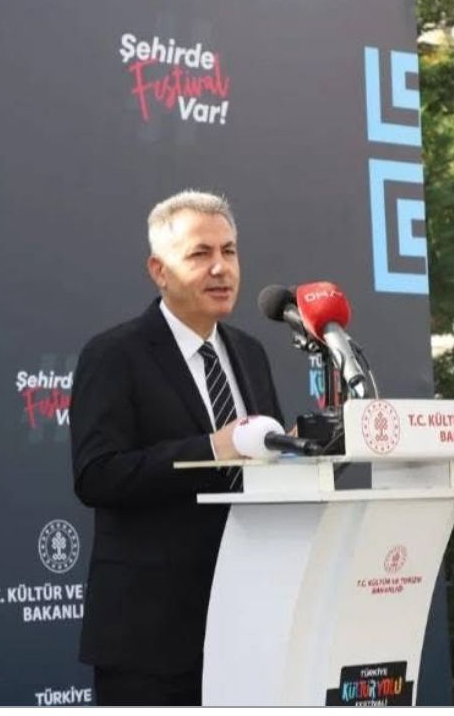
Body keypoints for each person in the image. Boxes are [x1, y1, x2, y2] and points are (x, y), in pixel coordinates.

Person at [70, 189, 285, 706]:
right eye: (200, 254)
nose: (220, 268)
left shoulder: (250, 353)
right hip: (149, 640)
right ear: (159, 270)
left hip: (248, 626)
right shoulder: (114, 354)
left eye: (229, 251)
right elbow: (97, 474)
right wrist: (210, 449)